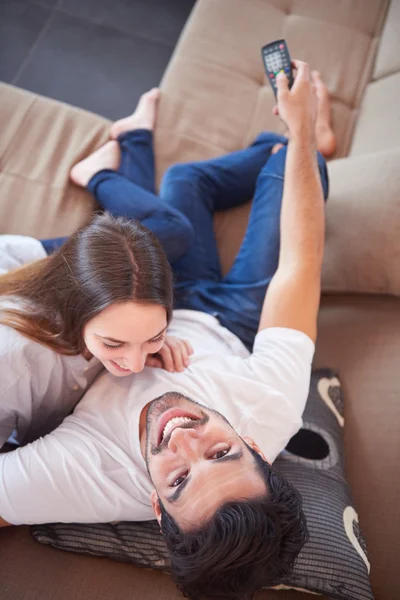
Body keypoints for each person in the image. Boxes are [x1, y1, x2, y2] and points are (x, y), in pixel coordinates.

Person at [0, 62, 335, 600]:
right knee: (253, 168)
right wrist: (300, 130)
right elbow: (301, 265)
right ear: (255, 446)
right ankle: (307, 138)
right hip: (230, 318)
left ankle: (134, 147)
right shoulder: (272, 407)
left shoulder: (91, 477)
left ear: (156, 507)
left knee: (182, 190)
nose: (182, 437)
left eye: (178, 480)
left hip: (164, 306)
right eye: (222, 453)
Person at [0, 90, 196, 449]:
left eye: (155, 334)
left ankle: (124, 149)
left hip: (35, 267)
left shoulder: (113, 322)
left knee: (172, 233)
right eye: (114, 342)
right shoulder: (11, 367)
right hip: (27, 271)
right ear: (76, 311)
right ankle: (109, 163)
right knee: (175, 230)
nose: (137, 365)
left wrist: (143, 339)